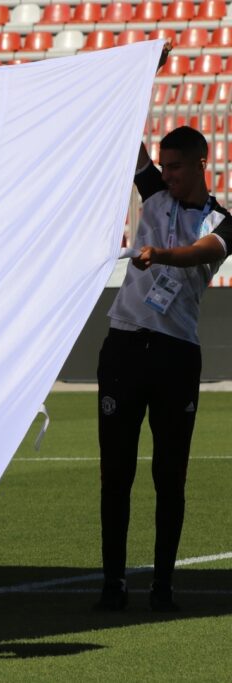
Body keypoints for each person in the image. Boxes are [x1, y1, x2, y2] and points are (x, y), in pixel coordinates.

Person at [96, 125, 232, 612]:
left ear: (201, 164)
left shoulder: (222, 221)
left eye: (176, 167)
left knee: (169, 476)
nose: (166, 175)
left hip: (176, 354)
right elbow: (131, 144)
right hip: (125, 345)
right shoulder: (154, 192)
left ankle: (163, 586)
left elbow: (201, 253)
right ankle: (112, 584)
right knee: (116, 474)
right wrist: (132, 87)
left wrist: (161, 256)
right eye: (163, 166)